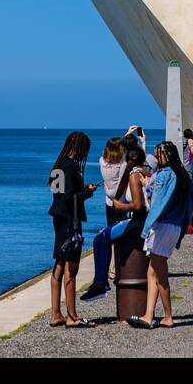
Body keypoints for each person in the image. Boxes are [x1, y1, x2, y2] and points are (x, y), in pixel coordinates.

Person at [128, 141, 193, 329]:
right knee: (152, 271)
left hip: (162, 226)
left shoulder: (164, 174)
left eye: (159, 155)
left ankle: (167, 316)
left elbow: (156, 200)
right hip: (174, 227)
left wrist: (145, 184)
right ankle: (148, 314)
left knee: (160, 273)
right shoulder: (182, 175)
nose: (156, 158)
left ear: (166, 155)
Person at [82, 146, 149, 301]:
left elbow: (138, 205)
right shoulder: (146, 173)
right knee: (107, 235)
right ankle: (102, 280)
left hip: (137, 221)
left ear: (130, 160)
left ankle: (100, 283)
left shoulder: (134, 175)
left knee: (100, 239)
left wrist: (120, 206)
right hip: (143, 220)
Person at [48, 131, 97, 328]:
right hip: (71, 220)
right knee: (71, 268)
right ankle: (72, 316)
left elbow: (61, 193)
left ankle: (55, 314)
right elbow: (71, 198)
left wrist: (81, 187)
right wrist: (87, 192)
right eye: (84, 149)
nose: (84, 154)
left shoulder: (58, 165)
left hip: (58, 218)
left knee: (59, 264)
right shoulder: (71, 166)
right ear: (78, 148)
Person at [98, 136, 129, 227]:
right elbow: (119, 187)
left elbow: (112, 147)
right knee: (121, 233)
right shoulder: (123, 164)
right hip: (121, 202)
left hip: (108, 201)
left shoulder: (101, 161)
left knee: (110, 230)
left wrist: (106, 191)